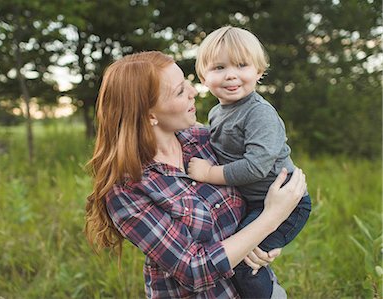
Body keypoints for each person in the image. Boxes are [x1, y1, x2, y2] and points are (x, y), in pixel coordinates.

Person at [85, 51, 307, 298]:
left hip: (262, 289)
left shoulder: (204, 140)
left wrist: (265, 241)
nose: (194, 92)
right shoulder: (128, 189)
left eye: (187, 83)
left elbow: (257, 179)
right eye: (180, 91)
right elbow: (193, 269)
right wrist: (271, 218)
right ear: (150, 115)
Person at [187, 26, 312, 298]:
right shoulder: (218, 112)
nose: (231, 74)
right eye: (219, 67)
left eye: (242, 65)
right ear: (203, 77)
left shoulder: (259, 114)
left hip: (288, 203)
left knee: (246, 262)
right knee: (239, 252)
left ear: (258, 71)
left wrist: (209, 173)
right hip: (255, 202)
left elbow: (257, 166)